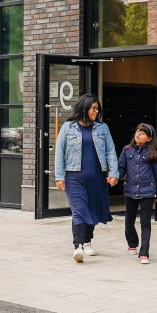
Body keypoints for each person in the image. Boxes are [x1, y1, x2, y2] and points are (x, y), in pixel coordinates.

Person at [54, 94, 118, 262]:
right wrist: (59, 176)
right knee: (79, 209)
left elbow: (110, 151)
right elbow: (59, 153)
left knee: (92, 209)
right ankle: (78, 246)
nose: (96, 111)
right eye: (93, 108)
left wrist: (113, 173)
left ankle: (88, 241)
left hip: (97, 177)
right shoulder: (68, 127)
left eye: (98, 109)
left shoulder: (102, 128)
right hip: (74, 177)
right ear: (84, 108)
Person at [117, 123, 157, 264]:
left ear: (149, 138)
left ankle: (144, 253)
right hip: (131, 190)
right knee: (128, 222)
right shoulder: (126, 150)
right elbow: (121, 169)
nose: (138, 134)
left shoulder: (153, 154)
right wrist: (114, 177)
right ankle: (132, 243)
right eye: (137, 131)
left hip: (148, 192)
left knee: (145, 222)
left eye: (142, 133)